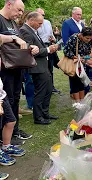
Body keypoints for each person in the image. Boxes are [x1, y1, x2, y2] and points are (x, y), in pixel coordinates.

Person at [0, 0, 39, 141]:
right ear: (8, 4)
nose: (20, 14)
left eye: (22, 11)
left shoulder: (13, 23)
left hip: (17, 67)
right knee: (6, 101)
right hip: (4, 69)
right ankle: (4, 134)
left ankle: (14, 130)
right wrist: (13, 37)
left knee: (15, 99)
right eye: (19, 10)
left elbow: (20, 42)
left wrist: (31, 47)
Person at [20, 12, 59, 125]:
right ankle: (38, 117)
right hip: (36, 67)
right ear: (31, 20)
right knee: (40, 92)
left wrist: (48, 48)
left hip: (43, 65)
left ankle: (45, 113)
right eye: (39, 23)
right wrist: (47, 50)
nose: (40, 26)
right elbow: (30, 51)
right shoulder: (24, 30)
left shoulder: (32, 30)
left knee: (48, 89)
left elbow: (38, 47)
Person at [0, 34, 26, 180]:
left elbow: (8, 37)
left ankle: (6, 146)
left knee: (10, 121)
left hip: (1, 94)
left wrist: (17, 39)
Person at [63, 27, 92, 102]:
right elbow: (66, 51)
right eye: (87, 38)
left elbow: (89, 53)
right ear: (81, 35)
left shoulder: (89, 41)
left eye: (90, 38)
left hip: (83, 64)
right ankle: (77, 101)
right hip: (74, 64)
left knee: (82, 81)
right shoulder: (73, 38)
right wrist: (75, 57)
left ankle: (82, 100)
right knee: (75, 82)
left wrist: (85, 58)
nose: (88, 40)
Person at [36, 8, 61, 94]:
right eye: (40, 15)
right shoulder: (35, 23)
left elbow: (51, 35)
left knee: (50, 68)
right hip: (40, 48)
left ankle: (51, 87)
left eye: (43, 15)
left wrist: (53, 40)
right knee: (43, 69)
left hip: (49, 46)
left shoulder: (47, 22)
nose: (42, 17)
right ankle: (43, 88)